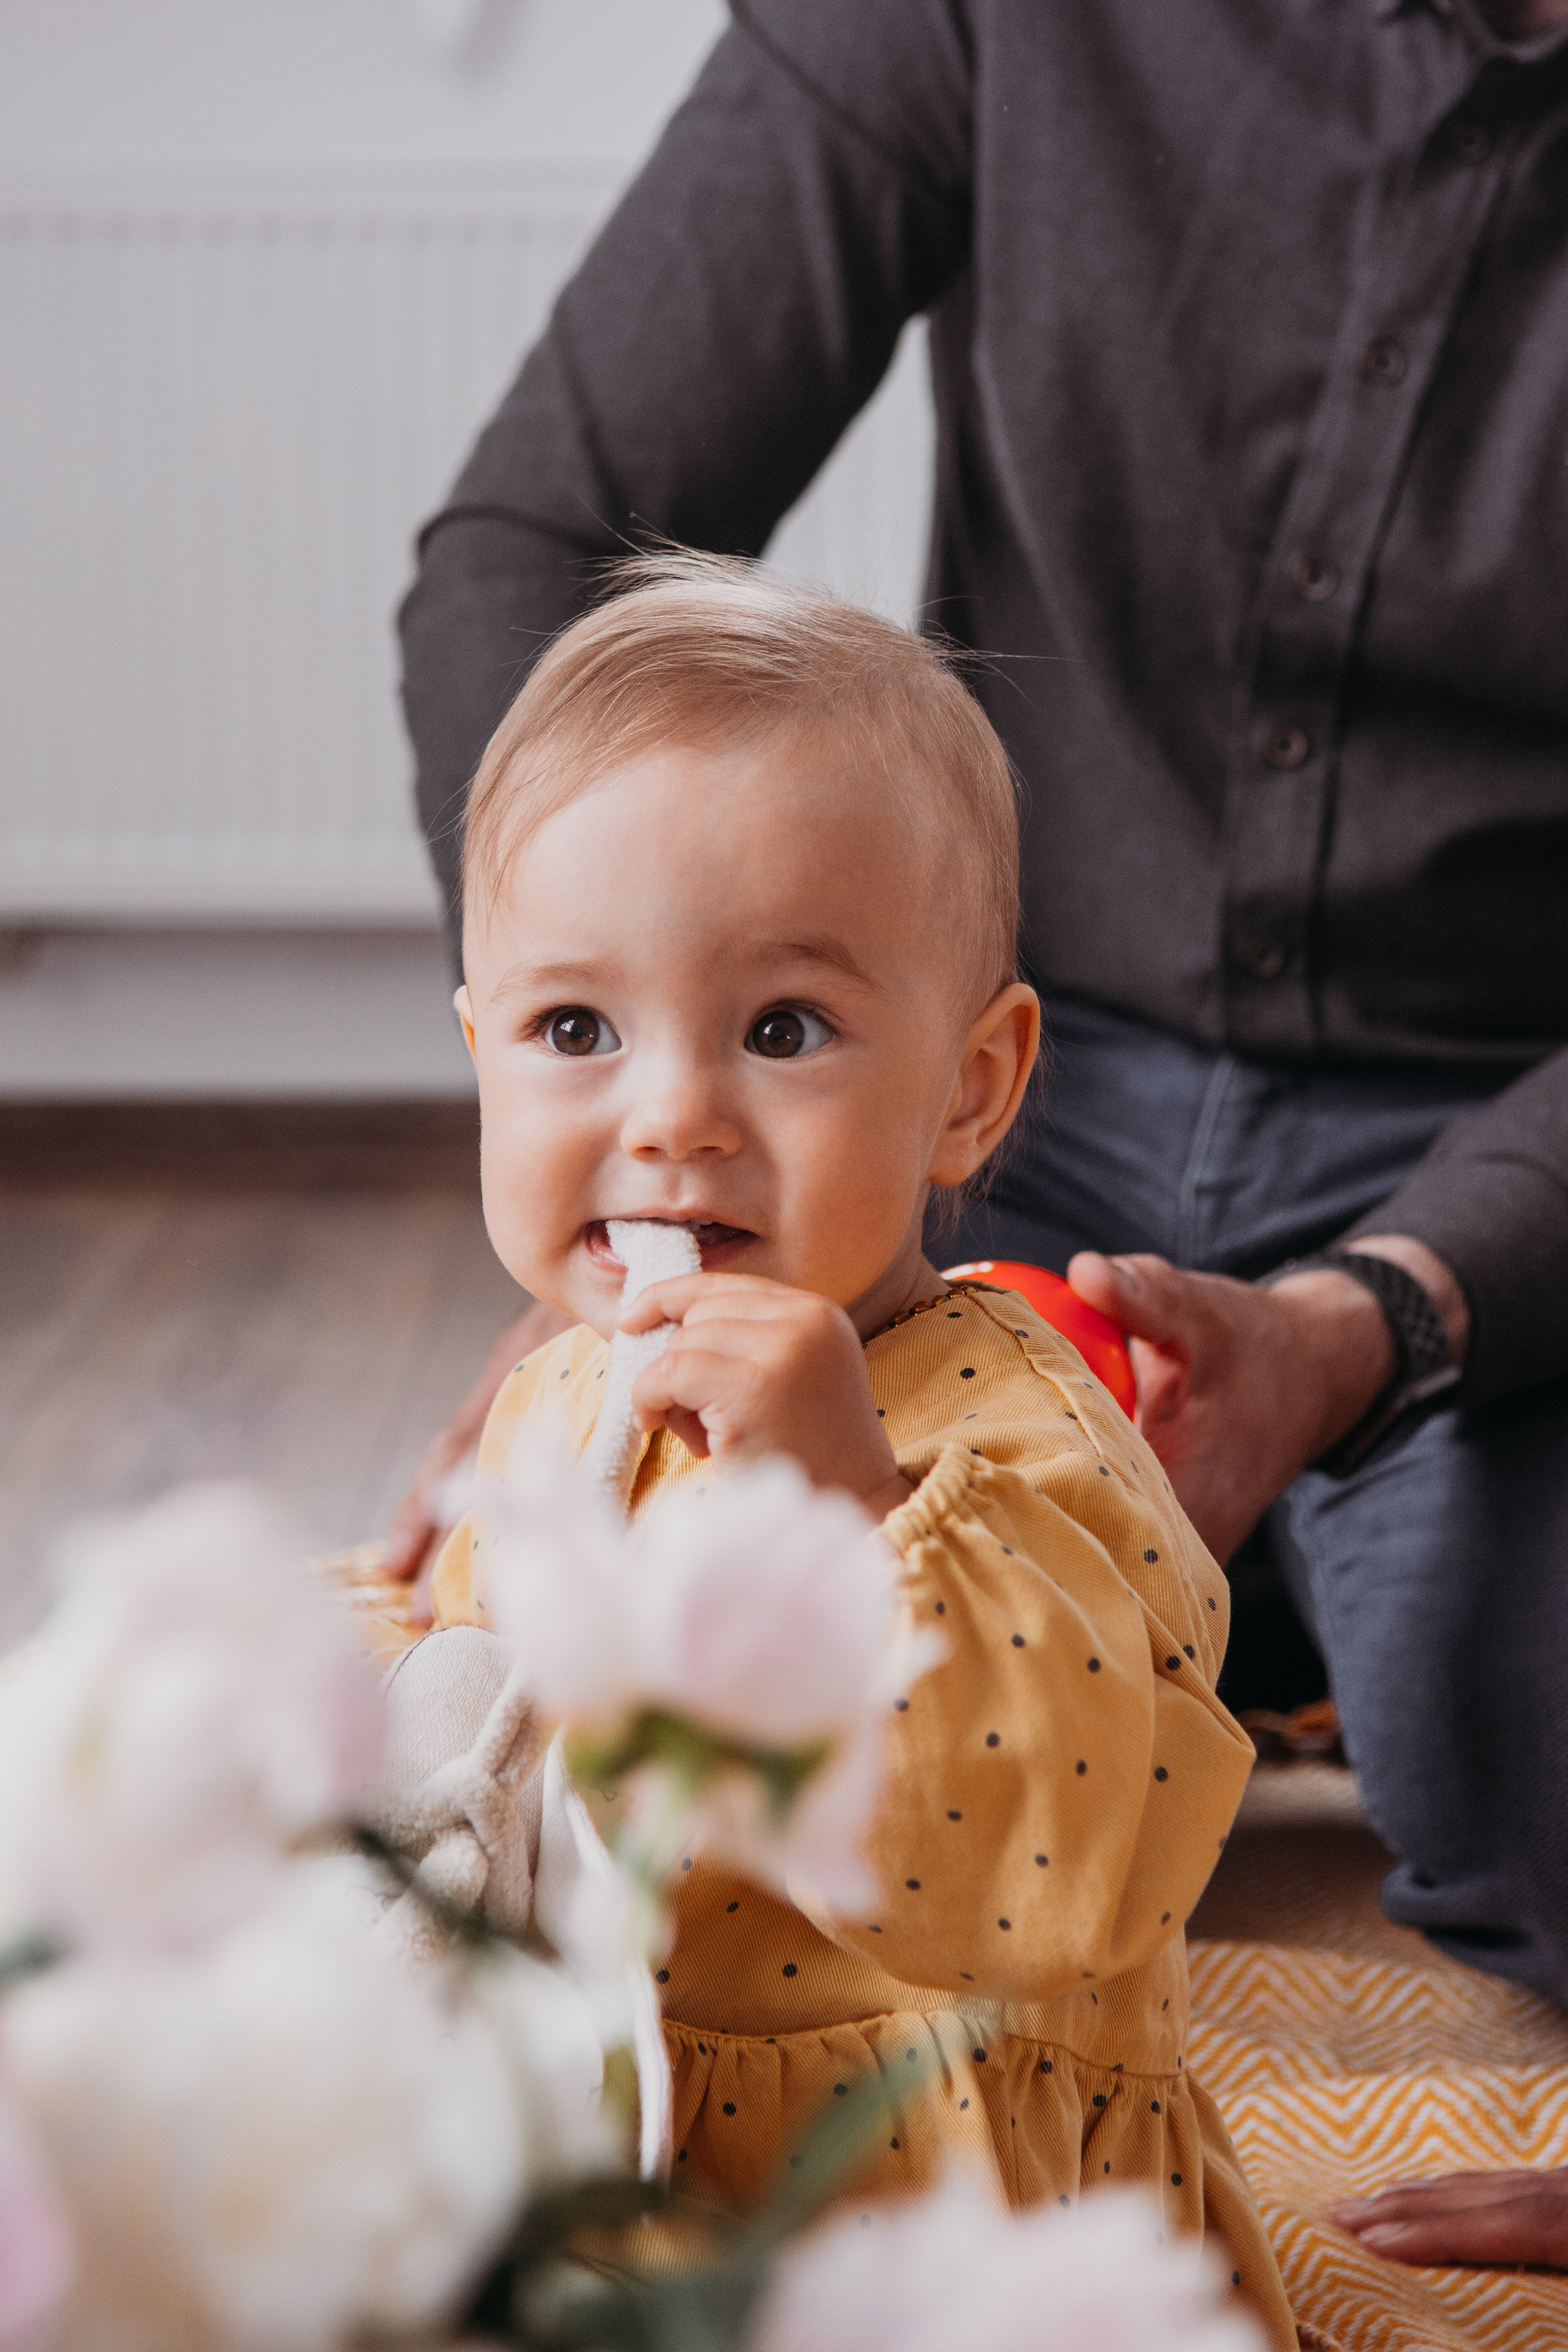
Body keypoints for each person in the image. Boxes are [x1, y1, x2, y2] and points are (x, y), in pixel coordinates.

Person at [394, 0, 1568, 2070]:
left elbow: (1029, 1879)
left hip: (1489, 1143)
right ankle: (1229, 1595)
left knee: (1520, 1762)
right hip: (946, 1087)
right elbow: (528, 547)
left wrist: (1382, 1314)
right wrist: (628, 1075)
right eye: (555, 1029)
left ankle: (1267, 1578)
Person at [425, 552, 1295, 2343]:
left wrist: (846, 1499)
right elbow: (478, 1740)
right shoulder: (550, 1409)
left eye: (784, 1030)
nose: (669, 1118)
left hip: (948, 2216)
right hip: (635, 2166)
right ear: (478, 1054)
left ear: (971, 1087)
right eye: (573, 1029)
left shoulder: (1011, 1437)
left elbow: (1048, 1868)